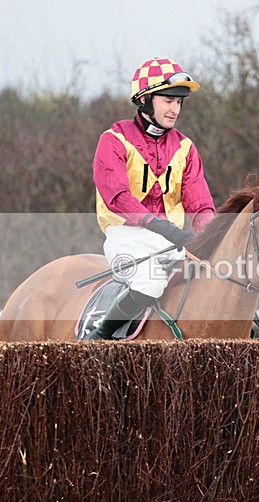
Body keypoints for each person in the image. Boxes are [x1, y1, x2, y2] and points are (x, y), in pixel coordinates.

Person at [87, 57, 216, 340]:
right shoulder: (113, 139)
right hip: (127, 236)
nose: (175, 109)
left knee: (219, 281)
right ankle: (98, 339)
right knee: (151, 282)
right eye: (168, 100)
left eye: (179, 103)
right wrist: (163, 227)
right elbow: (117, 196)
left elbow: (200, 203)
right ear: (145, 100)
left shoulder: (185, 147)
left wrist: (213, 237)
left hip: (173, 241)